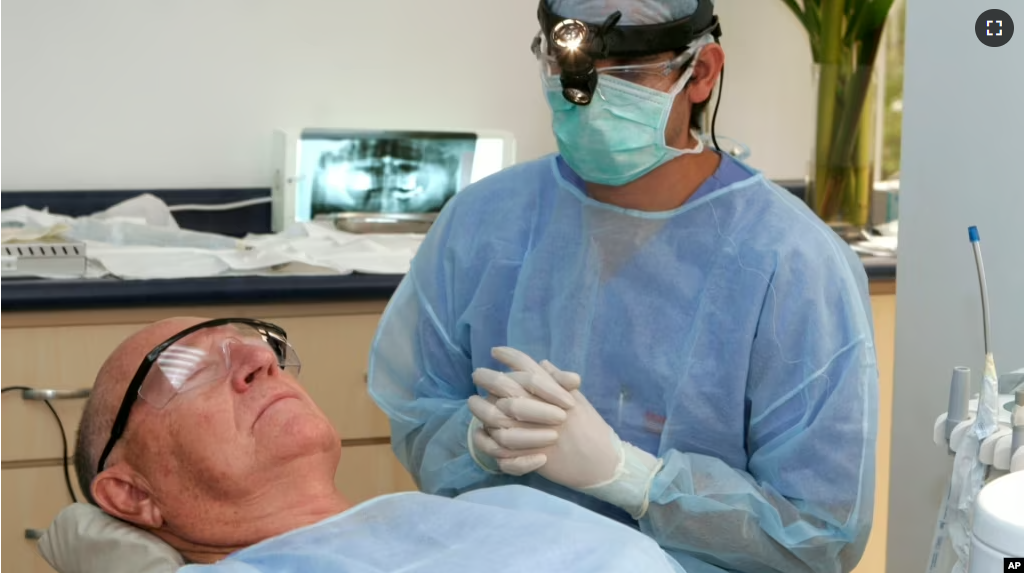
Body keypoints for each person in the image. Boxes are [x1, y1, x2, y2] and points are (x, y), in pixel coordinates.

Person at [366, 1, 879, 572]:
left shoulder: (792, 261)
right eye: (573, 73)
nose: (591, 99)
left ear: (702, 73)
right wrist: (474, 440)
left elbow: (819, 537)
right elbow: (416, 412)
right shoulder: (486, 222)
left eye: (630, 76)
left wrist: (632, 476)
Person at [55, 317, 685, 573]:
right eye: (184, 369)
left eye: (257, 344)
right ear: (132, 493)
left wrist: (627, 474)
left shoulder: (507, 517)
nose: (257, 359)